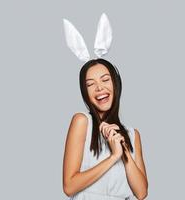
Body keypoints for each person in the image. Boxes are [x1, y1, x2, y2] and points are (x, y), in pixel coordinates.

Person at [62, 58, 148, 200]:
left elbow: (141, 193)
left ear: (115, 84)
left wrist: (123, 150)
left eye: (105, 80)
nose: (99, 88)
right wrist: (113, 157)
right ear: (85, 92)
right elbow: (69, 186)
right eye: (90, 84)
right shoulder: (82, 122)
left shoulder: (133, 135)